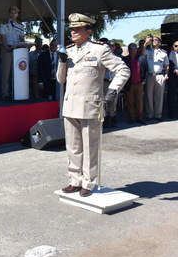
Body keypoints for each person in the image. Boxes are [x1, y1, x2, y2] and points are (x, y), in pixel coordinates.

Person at [57, 13, 129, 197]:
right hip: (71, 104)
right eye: (71, 29)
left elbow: (123, 70)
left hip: (90, 105)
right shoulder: (70, 50)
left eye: (77, 28)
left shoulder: (99, 50)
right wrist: (62, 62)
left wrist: (112, 91)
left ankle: (88, 182)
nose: (72, 31)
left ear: (88, 31)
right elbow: (61, 79)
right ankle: (74, 180)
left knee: (90, 146)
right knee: (72, 147)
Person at [0, 6, 26, 101]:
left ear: (17, 14)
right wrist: (7, 47)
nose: (13, 14)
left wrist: (23, 46)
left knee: (17, 73)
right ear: (9, 14)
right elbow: (3, 39)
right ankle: (5, 93)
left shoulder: (20, 25)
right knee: (5, 73)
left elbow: (22, 39)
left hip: (18, 50)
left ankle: (16, 92)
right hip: (7, 49)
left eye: (15, 12)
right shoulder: (4, 24)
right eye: (11, 12)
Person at [143, 34, 169, 121]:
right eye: (153, 40)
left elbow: (166, 65)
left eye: (156, 40)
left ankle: (158, 114)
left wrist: (166, 75)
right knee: (149, 96)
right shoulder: (148, 51)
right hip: (150, 76)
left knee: (159, 96)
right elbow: (142, 52)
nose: (154, 41)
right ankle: (150, 114)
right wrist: (146, 42)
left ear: (159, 42)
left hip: (160, 76)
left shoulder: (163, 53)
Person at [122, 43, 148, 124]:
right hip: (129, 84)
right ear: (128, 50)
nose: (133, 50)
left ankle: (139, 117)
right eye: (131, 48)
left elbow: (146, 69)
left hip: (139, 83)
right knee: (130, 102)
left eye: (134, 48)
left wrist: (144, 80)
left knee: (139, 101)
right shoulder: (125, 59)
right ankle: (132, 118)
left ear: (137, 49)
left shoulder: (142, 58)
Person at [168, 40, 178, 119]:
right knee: (172, 96)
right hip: (173, 77)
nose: (177, 47)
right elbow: (168, 64)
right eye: (176, 46)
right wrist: (175, 70)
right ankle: (172, 114)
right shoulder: (169, 54)